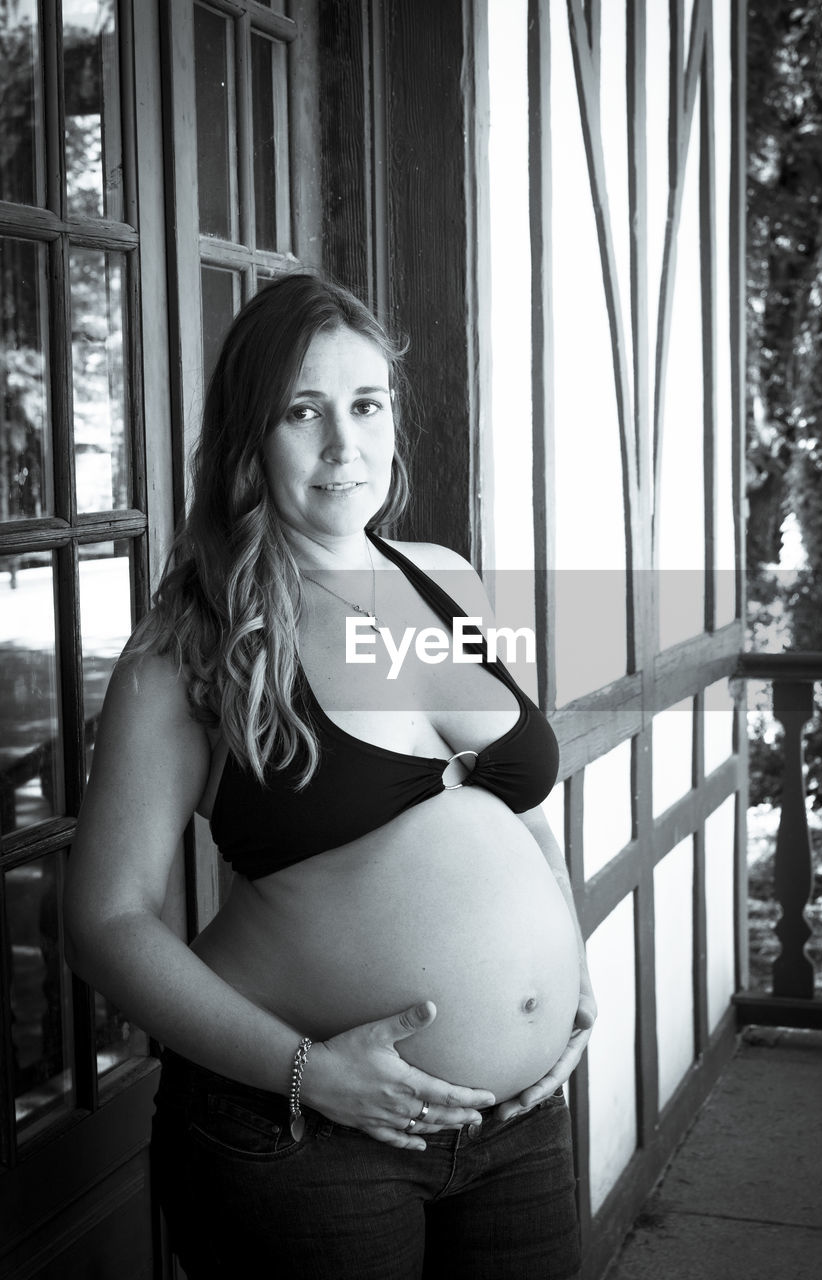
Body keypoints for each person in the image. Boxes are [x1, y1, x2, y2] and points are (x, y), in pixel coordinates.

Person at [64, 271, 596, 1278]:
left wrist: (563, 966)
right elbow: (105, 919)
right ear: (250, 436)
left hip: (519, 1123)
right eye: (303, 411)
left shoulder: (446, 577)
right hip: (308, 1140)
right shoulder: (195, 642)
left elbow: (505, 800)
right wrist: (309, 1073)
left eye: (365, 403)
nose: (343, 442)